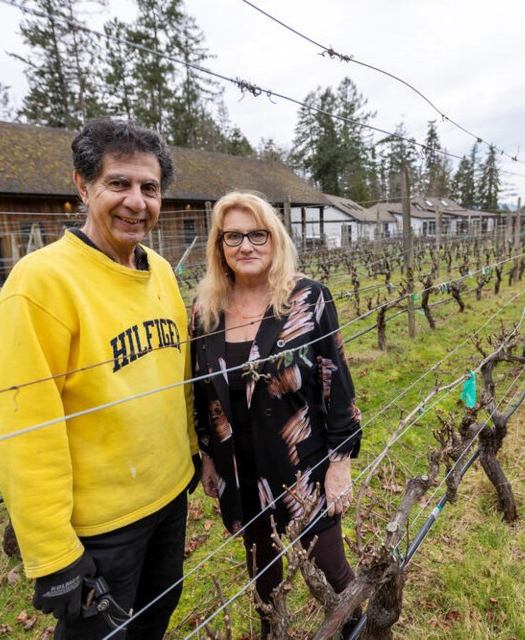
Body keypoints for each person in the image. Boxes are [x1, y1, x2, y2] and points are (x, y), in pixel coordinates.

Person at [0, 118, 198, 639]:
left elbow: (177, 378)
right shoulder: (41, 282)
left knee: (153, 622)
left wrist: (191, 452)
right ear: (83, 186)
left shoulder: (162, 273)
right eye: (119, 183)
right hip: (101, 528)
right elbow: (23, 427)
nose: (136, 202)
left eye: (149, 188)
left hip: (168, 498)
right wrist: (52, 550)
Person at [190, 191, 362, 637]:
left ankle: (360, 629)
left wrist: (339, 464)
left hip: (301, 464)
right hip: (238, 466)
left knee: (330, 569)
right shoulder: (205, 310)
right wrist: (207, 454)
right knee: (262, 576)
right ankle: (274, 632)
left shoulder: (307, 299)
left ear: (275, 238)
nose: (245, 246)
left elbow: (336, 383)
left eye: (257, 234)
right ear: (219, 246)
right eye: (233, 236)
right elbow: (201, 391)